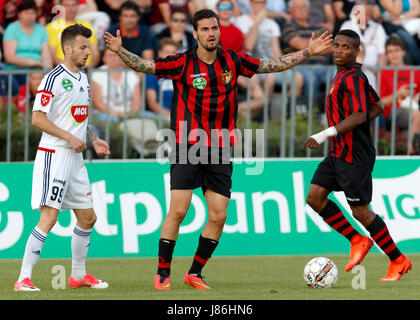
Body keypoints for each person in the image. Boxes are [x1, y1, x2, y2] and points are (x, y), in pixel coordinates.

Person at [105, 8, 332, 290]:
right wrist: (120, 50)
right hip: (186, 144)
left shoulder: (232, 60)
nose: (211, 33)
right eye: (205, 29)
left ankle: (195, 272)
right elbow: (145, 66)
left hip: (220, 148)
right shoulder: (182, 63)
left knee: (219, 215)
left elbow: (272, 65)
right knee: (178, 211)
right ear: (195, 33)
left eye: (214, 28)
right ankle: (163, 273)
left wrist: (308, 52)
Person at [304, 29, 412, 281]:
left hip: (354, 155)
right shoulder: (345, 74)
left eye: (346, 47)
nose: (339, 50)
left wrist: (325, 133)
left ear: (356, 51)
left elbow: (360, 114)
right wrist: (353, 126)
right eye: (337, 46)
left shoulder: (353, 77)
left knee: (361, 212)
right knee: (315, 197)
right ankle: (357, 239)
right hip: (339, 152)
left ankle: (398, 260)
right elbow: (377, 107)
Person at [14, 24, 110, 292]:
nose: (88, 52)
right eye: (82, 47)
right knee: (49, 217)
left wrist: (92, 139)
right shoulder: (53, 78)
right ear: (67, 49)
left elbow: (77, 119)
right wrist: (69, 138)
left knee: (88, 218)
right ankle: (23, 278)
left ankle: (78, 275)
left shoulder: (83, 77)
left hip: (76, 158)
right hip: (54, 154)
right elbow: (37, 118)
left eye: (88, 47)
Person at [379, 36, 420, 155]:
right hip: (392, 111)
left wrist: (418, 96)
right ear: (386, 55)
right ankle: (411, 151)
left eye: (396, 50)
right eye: (390, 51)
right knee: (417, 115)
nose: (394, 54)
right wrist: (399, 94)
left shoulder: (414, 71)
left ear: (403, 52)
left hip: (413, 108)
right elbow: (379, 102)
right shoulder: (383, 72)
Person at [3, 0, 52, 90]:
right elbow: (9, 57)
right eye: (26, 13)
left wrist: (46, 69)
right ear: (19, 14)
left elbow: (46, 56)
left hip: (38, 73)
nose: (30, 16)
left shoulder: (41, 30)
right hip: (16, 73)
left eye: (32, 13)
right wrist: (34, 62)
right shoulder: (12, 29)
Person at [91, 48, 142, 122]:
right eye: (109, 55)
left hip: (129, 113)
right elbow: (97, 102)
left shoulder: (131, 74)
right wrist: (118, 114)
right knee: (112, 121)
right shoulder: (97, 74)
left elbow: (137, 101)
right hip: (105, 113)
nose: (113, 58)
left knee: (152, 118)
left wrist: (131, 114)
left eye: (115, 55)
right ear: (104, 59)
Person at [46, 0, 100, 68]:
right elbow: (52, 55)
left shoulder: (87, 25)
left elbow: (95, 52)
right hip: (64, 71)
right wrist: (70, 69)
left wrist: (88, 68)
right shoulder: (52, 27)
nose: (70, 8)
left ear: (78, 7)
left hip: (87, 72)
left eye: (73, 5)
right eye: (66, 5)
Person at [145, 38, 178, 118]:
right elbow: (152, 103)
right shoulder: (151, 73)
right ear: (160, 53)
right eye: (167, 52)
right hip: (159, 116)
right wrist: (170, 116)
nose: (170, 56)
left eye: (173, 53)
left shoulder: (181, 73)